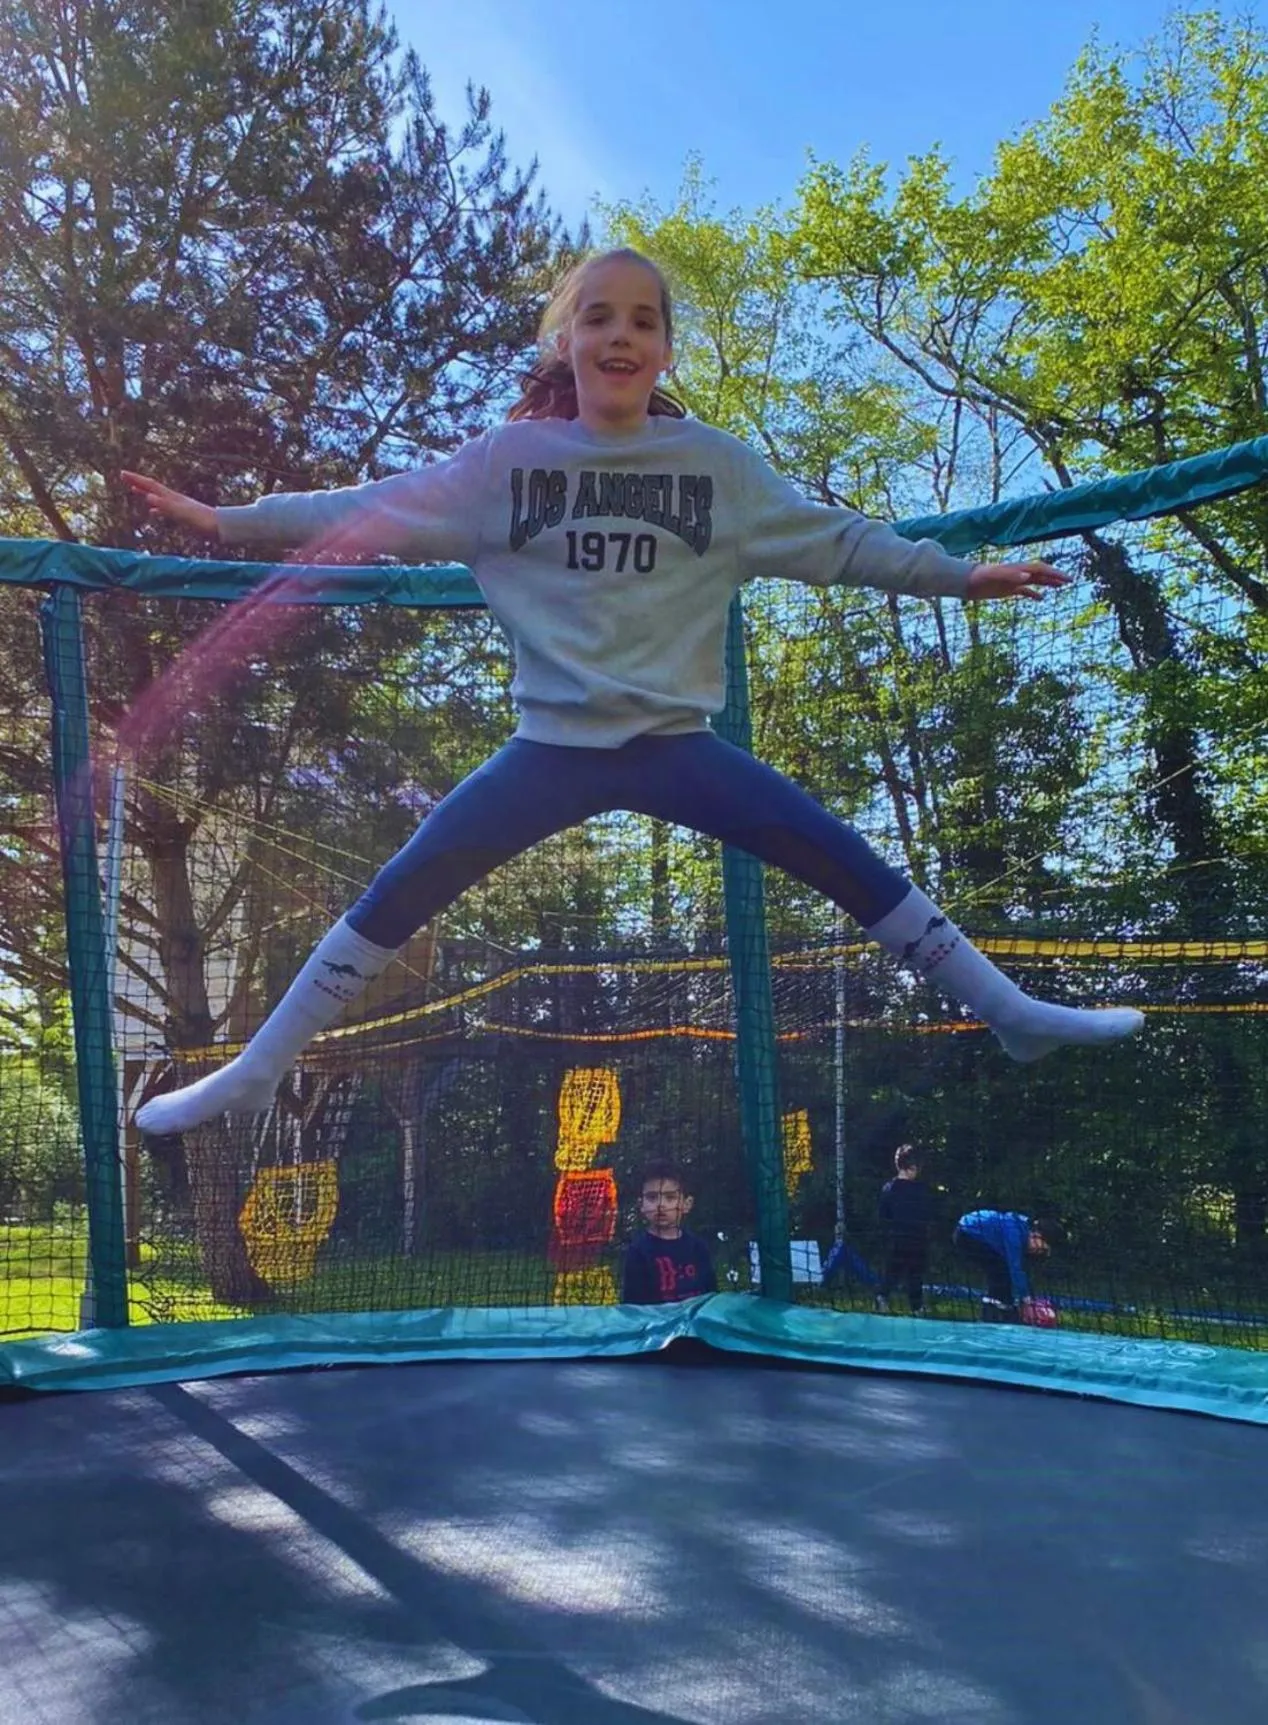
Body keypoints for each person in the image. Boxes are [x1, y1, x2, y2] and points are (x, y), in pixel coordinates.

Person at [124, 246, 1144, 1139]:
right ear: (563, 340)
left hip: (675, 747)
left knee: (841, 856)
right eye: (598, 315)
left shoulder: (714, 471)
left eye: (643, 319)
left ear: (663, 351)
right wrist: (228, 521)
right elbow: (367, 510)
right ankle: (257, 1067)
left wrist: (955, 574)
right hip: (549, 753)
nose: (621, 333)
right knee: (403, 886)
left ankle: (1008, 1013)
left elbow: (835, 541)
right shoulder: (506, 466)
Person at [621, 1162, 717, 1305]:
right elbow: (634, 1307)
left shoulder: (698, 1248)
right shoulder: (638, 1251)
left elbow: (710, 1296)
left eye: (670, 1197)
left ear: (687, 1204)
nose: (660, 1205)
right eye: (652, 1197)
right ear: (641, 1205)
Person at [953, 1207, 1066, 1323]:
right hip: (968, 1234)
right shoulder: (1014, 1234)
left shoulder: (1023, 1230)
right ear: (1036, 1235)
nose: (1038, 1252)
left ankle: (1006, 1313)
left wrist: (1026, 1295)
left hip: (978, 1234)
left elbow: (1021, 1272)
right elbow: (1015, 1268)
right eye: (1042, 1249)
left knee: (1003, 1275)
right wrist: (1027, 1300)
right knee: (1000, 1273)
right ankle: (992, 1316)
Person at [875, 1145, 934, 1315]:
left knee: (892, 1271)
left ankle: (882, 1296)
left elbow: (883, 1215)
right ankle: (916, 1307)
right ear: (912, 1168)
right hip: (917, 1238)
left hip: (896, 1238)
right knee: (915, 1275)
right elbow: (926, 1213)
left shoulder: (889, 1188)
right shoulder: (919, 1190)